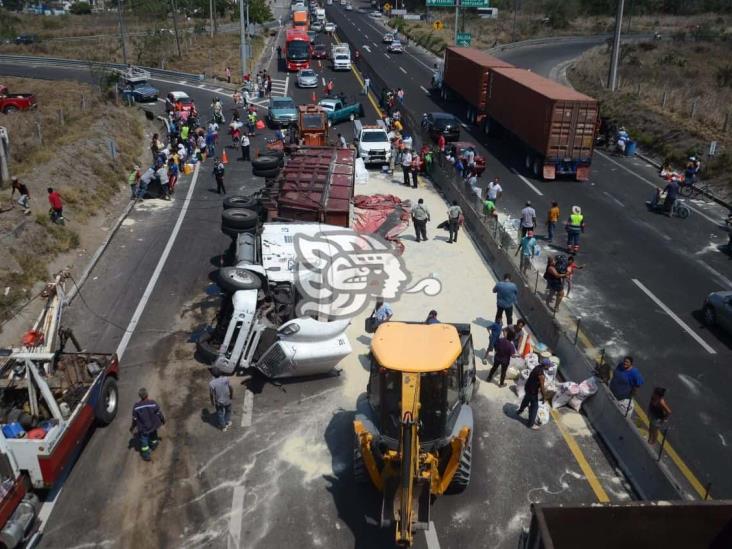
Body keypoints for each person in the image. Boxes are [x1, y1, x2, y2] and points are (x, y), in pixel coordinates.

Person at [129, 388, 165, 462]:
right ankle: (154, 445)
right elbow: (159, 413)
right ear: (147, 395)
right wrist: (162, 420)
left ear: (140, 396)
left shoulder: (136, 407)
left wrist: (132, 427)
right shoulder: (153, 403)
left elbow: (135, 419)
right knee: (154, 436)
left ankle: (146, 456)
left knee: (144, 442)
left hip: (144, 429)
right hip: (153, 426)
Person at [517, 360, 549, 430]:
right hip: (533, 392)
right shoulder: (541, 375)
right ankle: (530, 424)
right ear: (545, 366)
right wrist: (544, 397)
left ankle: (520, 411)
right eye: (548, 365)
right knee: (534, 407)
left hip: (528, 388)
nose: (549, 367)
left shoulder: (537, 367)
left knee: (526, 399)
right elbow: (542, 387)